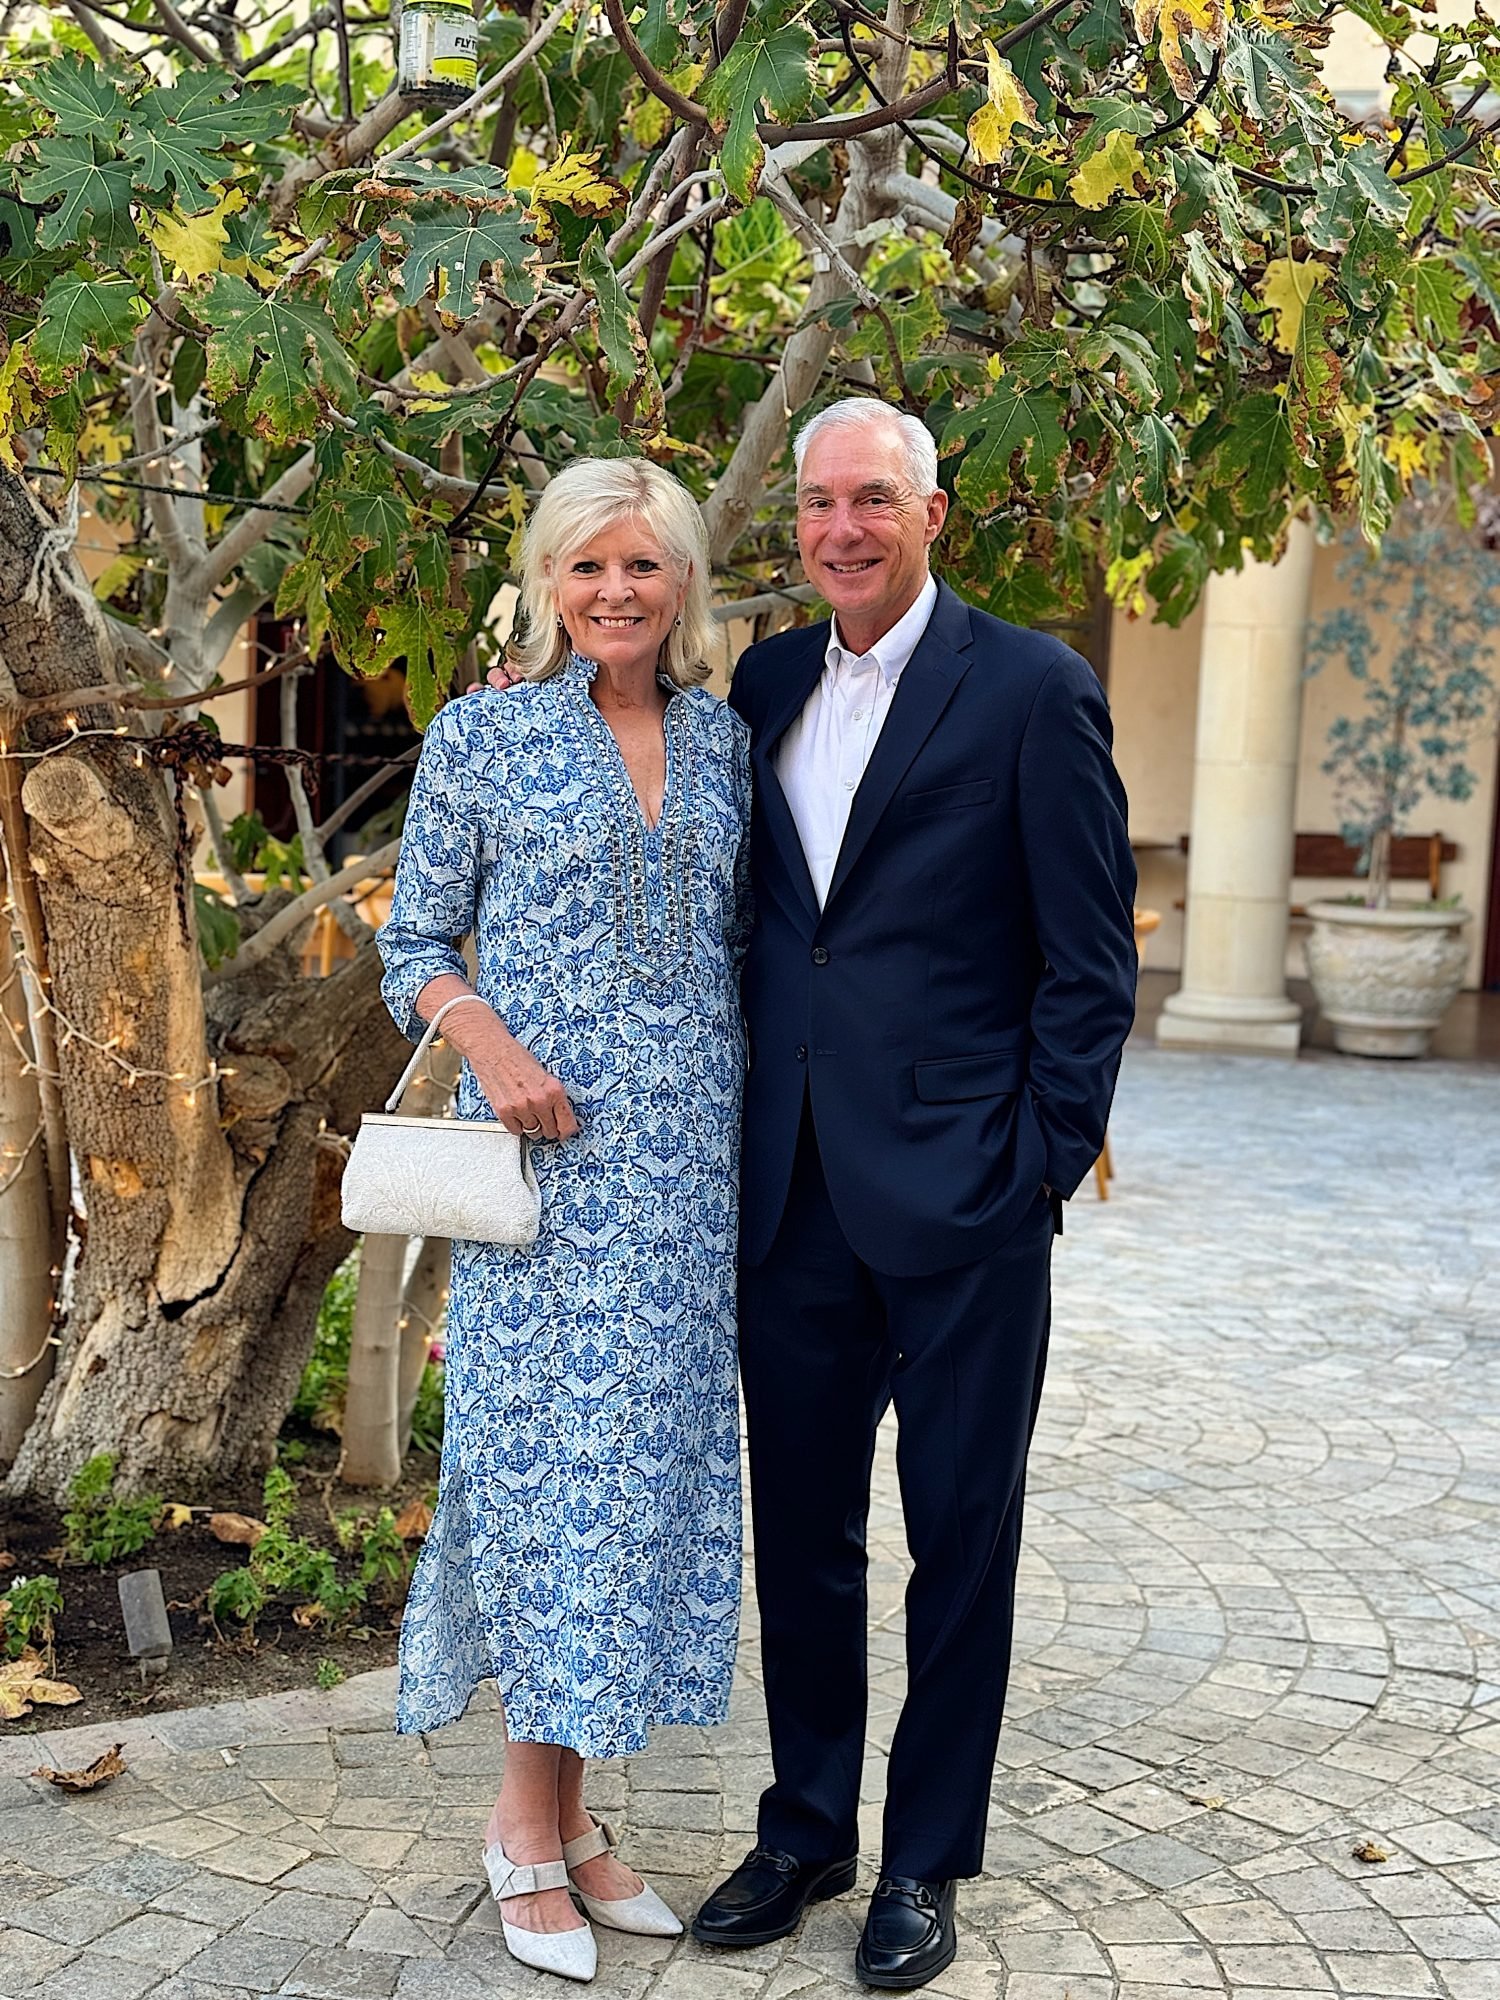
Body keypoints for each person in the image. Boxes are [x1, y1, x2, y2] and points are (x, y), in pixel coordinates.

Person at [686, 398, 1138, 1989]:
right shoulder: (766, 681)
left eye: (874, 499)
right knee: (800, 1532)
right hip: (791, 1189)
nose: (843, 530)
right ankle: (807, 1825)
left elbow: (1090, 966)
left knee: (963, 1540)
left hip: (965, 1203)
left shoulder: (1031, 688)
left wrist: (1032, 1165)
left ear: (932, 516)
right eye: (819, 505)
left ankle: (926, 1859)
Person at [377, 456, 751, 1985]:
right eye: (587, 568)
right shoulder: (482, 735)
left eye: (642, 568)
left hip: (692, 1183)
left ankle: (578, 1822)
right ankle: (524, 1830)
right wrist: (491, 1043)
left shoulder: (732, 745)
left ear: (682, 588)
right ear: (547, 582)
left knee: (641, 1489)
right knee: (547, 1489)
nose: (614, 593)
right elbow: (410, 938)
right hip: (543, 1185)